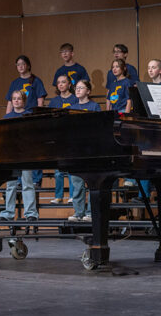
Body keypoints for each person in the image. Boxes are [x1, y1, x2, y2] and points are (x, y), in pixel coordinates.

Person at [0, 90, 40, 221]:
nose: (16, 101)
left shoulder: (29, 115)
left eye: (19, 99)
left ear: (24, 101)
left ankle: (31, 213)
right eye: (14, 99)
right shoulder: (7, 117)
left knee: (27, 183)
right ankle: (8, 213)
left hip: (25, 154)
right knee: (10, 185)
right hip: (11, 155)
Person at [67, 79, 100, 221]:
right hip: (76, 150)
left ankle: (90, 213)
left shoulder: (94, 106)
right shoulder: (72, 107)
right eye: (77, 88)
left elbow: (100, 126)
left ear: (88, 91)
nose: (78, 90)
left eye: (81, 88)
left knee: (92, 183)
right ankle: (78, 212)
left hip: (91, 149)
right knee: (77, 184)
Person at [48, 75, 77, 203]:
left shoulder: (75, 99)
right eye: (58, 82)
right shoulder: (53, 101)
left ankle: (72, 195)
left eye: (63, 82)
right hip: (58, 137)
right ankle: (58, 196)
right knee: (58, 170)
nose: (60, 84)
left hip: (71, 136)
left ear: (69, 85)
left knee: (71, 169)